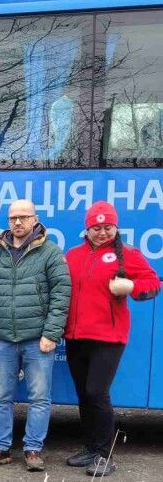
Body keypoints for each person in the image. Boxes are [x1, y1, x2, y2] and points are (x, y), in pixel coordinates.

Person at [64, 201, 161, 477]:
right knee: (84, 394)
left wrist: (131, 286)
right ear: (88, 228)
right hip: (75, 335)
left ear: (115, 227)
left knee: (97, 392)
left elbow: (153, 283)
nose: (102, 232)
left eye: (108, 227)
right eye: (97, 227)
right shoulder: (73, 255)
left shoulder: (127, 254)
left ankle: (105, 454)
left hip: (108, 337)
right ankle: (91, 449)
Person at [0, 199, 71, 472]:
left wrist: (52, 333)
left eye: (23, 217)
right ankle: (1, 447)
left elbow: (61, 295)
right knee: (0, 396)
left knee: (39, 397)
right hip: (3, 339)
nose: (17, 222)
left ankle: (33, 449)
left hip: (38, 340)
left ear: (35, 219)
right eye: (13, 218)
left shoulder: (50, 252)